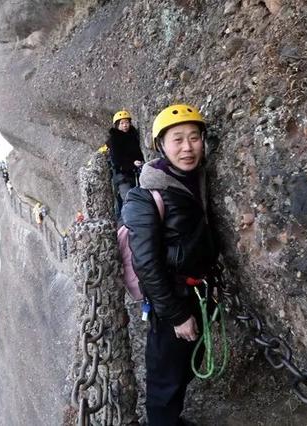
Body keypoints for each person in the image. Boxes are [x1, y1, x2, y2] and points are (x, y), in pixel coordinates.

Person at [121, 104, 218, 425]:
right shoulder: (144, 197)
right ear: (161, 146)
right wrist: (177, 315)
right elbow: (146, 263)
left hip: (198, 292)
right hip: (171, 300)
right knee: (165, 379)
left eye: (194, 138)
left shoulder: (195, 179)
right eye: (177, 139)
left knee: (188, 361)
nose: (187, 147)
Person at [107, 110, 144, 217]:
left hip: (133, 171)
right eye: (122, 123)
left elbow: (137, 152)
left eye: (127, 122)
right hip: (121, 174)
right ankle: (126, 224)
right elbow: (117, 159)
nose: (125, 125)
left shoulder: (132, 136)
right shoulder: (115, 139)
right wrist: (133, 164)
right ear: (117, 125)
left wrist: (138, 162)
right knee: (127, 199)